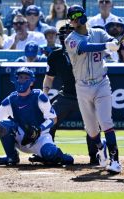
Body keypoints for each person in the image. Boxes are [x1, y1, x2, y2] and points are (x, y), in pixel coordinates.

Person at [0, 67, 74, 166]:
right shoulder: (11, 99)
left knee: (50, 154)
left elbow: (53, 119)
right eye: (20, 77)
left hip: (40, 137)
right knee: (4, 125)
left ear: (31, 82)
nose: (22, 80)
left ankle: (59, 155)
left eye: (26, 78)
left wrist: (39, 129)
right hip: (21, 138)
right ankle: (11, 156)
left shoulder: (39, 96)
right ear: (15, 80)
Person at [65, 5, 122, 174]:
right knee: (91, 129)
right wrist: (106, 45)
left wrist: (114, 45)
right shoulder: (70, 39)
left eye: (75, 17)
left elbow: (112, 44)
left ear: (82, 16)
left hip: (101, 83)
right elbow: (85, 47)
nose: (73, 20)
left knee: (106, 122)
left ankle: (115, 160)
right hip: (82, 86)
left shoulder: (98, 33)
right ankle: (100, 148)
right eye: (71, 18)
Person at [40, 23, 100, 165]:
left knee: (93, 125)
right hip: (66, 94)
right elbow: (49, 77)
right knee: (49, 120)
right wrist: (44, 95)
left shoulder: (86, 51)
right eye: (64, 34)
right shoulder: (55, 55)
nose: (67, 36)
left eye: (70, 33)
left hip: (85, 94)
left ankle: (95, 155)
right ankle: (47, 153)